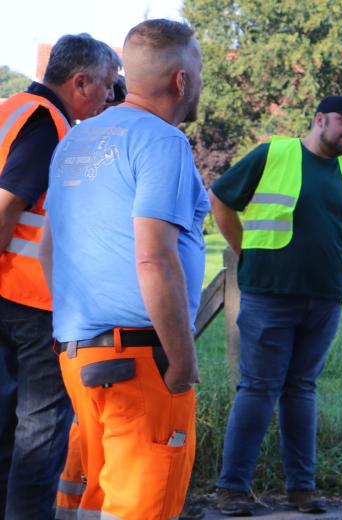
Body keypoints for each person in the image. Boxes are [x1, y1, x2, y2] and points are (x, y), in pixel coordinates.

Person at [39, 19, 207, 519]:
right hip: (140, 362)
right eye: (199, 68)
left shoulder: (76, 139)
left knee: (95, 501)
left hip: (79, 355)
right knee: (141, 507)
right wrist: (182, 361)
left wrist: (78, 325)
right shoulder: (162, 142)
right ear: (181, 80)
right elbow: (155, 257)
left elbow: (50, 249)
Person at [211, 95, 342, 515]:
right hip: (270, 295)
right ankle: (232, 490)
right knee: (259, 388)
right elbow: (222, 199)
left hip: (324, 300)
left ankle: (301, 489)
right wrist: (243, 250)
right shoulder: (275, 153)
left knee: (302, 389)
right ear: (320, 119)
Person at [0, 32, 118, 519]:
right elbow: (8, 204)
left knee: (10, 427)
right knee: (40, 434)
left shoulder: (11, 108)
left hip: (9, 294)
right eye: (108, 86)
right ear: (81, 81)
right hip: (32, 299)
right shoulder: (48, 123)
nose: (112, 97)